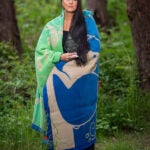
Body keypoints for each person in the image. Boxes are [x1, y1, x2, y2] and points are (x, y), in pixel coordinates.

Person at [31, 0, 100, 149]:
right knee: (61, 134)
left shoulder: (88, 22)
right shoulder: (51, 27)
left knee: (83, 134)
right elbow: (41, 53)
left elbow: (94, 51)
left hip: (82, 89)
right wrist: (59, 57)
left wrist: (71, 69)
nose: (70, 1)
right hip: (59, 90)